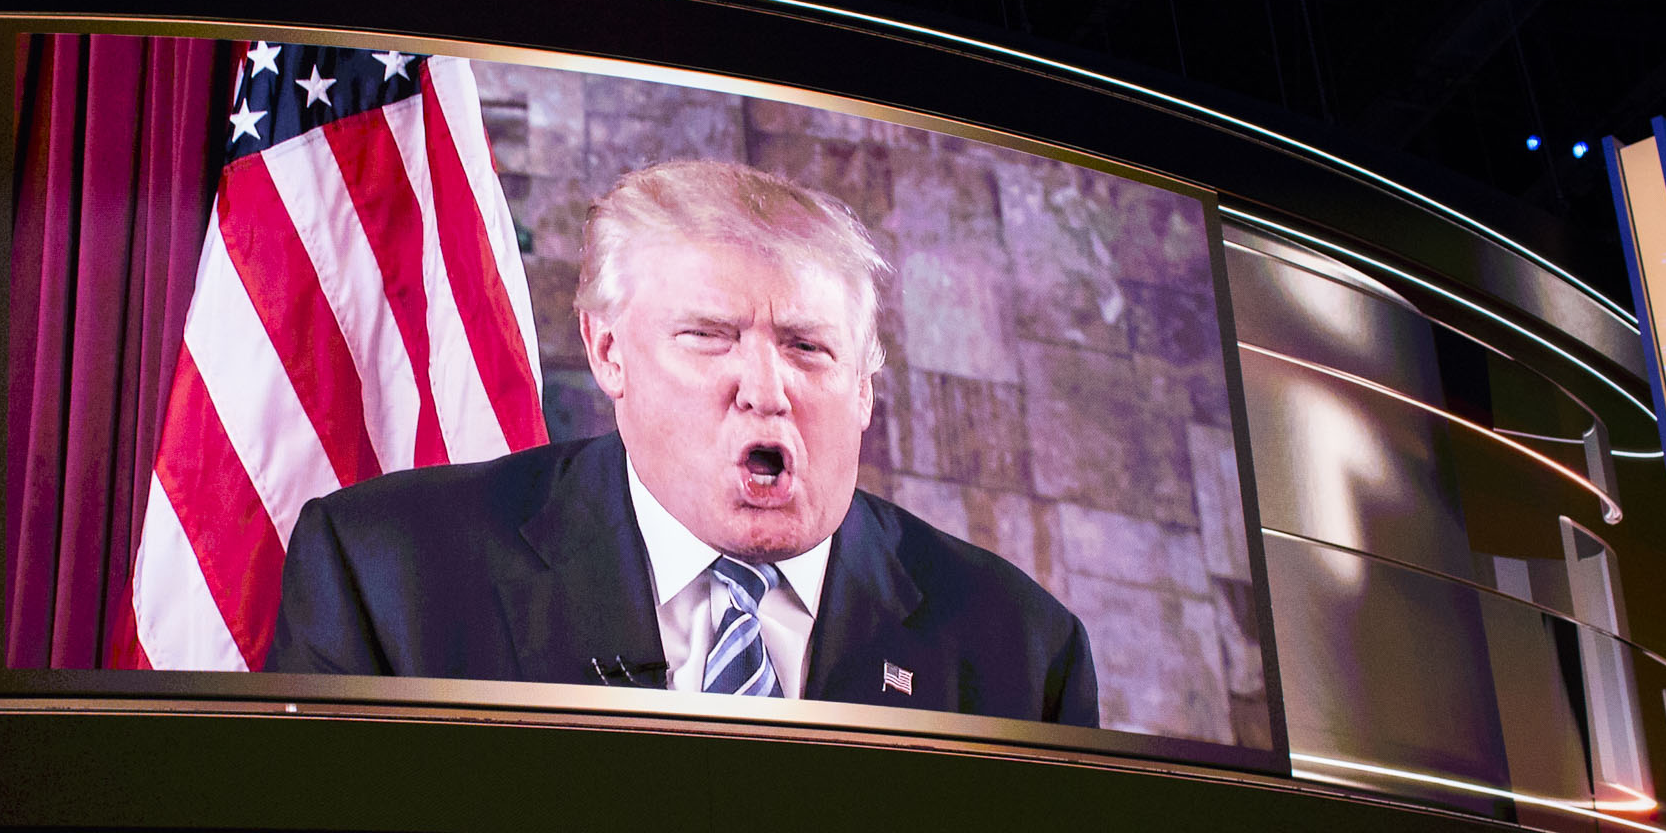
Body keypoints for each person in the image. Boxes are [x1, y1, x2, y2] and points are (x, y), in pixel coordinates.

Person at [264, 159, 1099, 727]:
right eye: (708, 336)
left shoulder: (1024, 653)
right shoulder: (384, 572)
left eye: (809, 347)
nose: (766, 388)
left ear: (865, 389)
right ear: (608, 353)